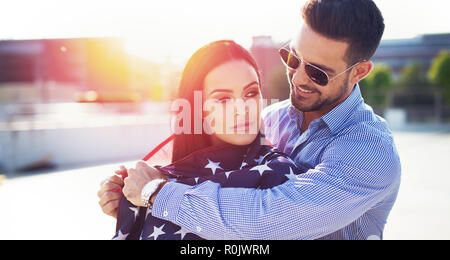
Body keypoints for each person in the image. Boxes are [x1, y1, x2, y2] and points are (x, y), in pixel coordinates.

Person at [99, 0, 401, 240]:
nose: (297, 77)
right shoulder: (270, 119)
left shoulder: (371, 153)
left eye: (317, 72)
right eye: (293, 58)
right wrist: (133, 204)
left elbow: (267, 220)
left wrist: (156, 195)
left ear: (359, 72)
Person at [106, 40, 303, 240]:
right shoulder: (166, 177)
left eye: (251, 93)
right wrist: (130, 210)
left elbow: (258, 228)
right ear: (198, 107)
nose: (242, 109)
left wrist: (151, 194)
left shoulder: (278, 173)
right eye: (223, 99)